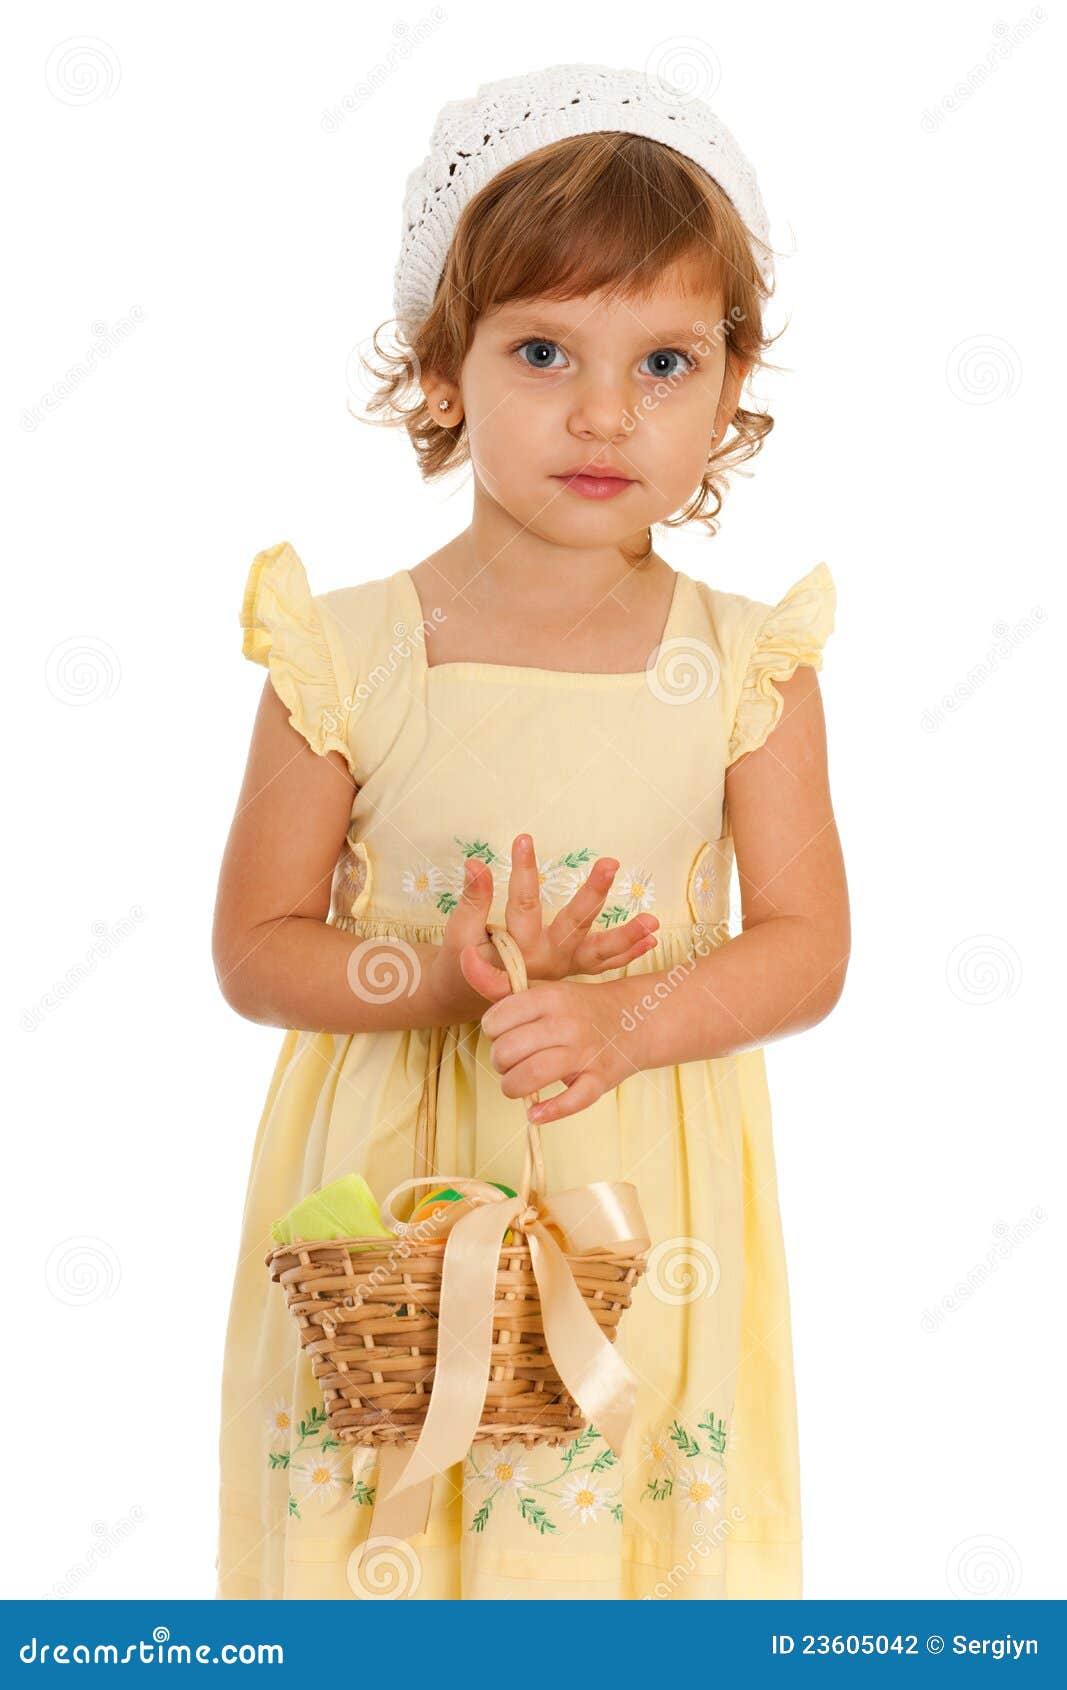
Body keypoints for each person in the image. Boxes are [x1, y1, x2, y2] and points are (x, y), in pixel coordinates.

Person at [212, 61, 850, 1601]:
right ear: (444, 367)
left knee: (607, 1536)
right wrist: (439, 979)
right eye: (545, 348)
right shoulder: (349, 651)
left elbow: (807, 948)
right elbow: (254, 944)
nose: (603, 411)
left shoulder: (745, 662)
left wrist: (626, 1017)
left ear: (733, 386)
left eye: (666, 362)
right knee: (378, 1520)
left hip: (636, 1182)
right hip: (392, 1176)